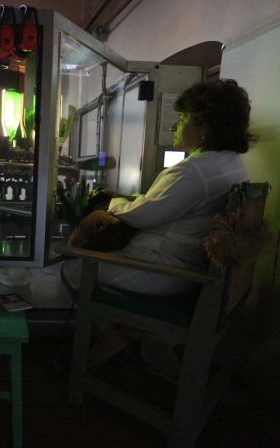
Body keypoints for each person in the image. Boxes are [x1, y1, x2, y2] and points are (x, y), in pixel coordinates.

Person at [61, 79, 253, 371]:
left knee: (72, 269)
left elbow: (144, 215)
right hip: (189, 268)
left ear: (205, 127)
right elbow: (170, 205)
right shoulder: (231, 165)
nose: (175, 127)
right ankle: (131, 334)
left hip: (163, 270)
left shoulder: (194, 170)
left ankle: (112, 338)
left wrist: (111, 204)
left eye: (183, 119)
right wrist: (131, 200)